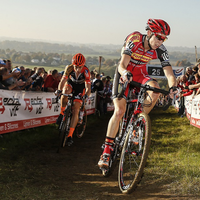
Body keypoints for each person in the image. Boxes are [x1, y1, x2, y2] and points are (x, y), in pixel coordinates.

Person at [98, 19, 177, 169]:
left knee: (154, 90)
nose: (160, 41)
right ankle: (107, 151)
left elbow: (169, 73)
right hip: (124, 73)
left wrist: (173, 87)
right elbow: (122, 64)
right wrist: (125, 73)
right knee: (120, 111)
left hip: (140, 74)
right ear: (149, 33)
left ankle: (136, 124)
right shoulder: (134, 39)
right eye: (159, 37)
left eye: (164, 38)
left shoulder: (161, 49)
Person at [55, 53, 91, 146]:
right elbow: (62, 81)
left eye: (80, 67)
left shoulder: (86, 71)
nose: (77, 69)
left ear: (83, 65)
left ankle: (70, 135)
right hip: (71, 84)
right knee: (65, 90)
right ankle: (62, 113)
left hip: (80, 88)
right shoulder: (69, 68)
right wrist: (59, 90)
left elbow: (88, 87)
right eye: (76, 66)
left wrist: (86, 95)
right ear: (72, 64)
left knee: (76, 109)